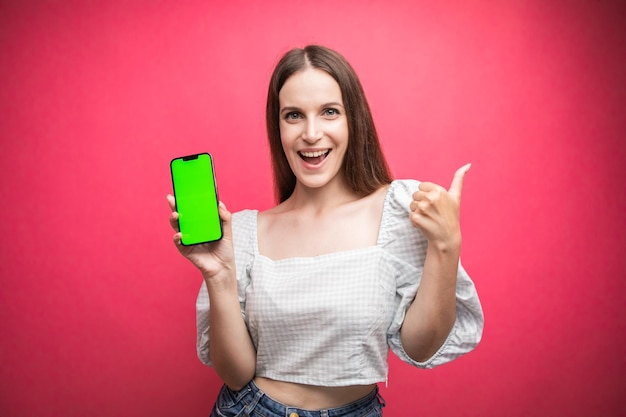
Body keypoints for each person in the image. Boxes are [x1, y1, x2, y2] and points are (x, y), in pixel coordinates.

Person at [167, 45, 484, 416]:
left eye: (329, 112)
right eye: (294, 116)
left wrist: (447, 245)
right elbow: (237, 374)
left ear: (354, 120)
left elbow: (420, 347)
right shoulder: (244, 231)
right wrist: (218, 276)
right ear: (278, 127)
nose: (311, 133)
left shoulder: (398, 209)